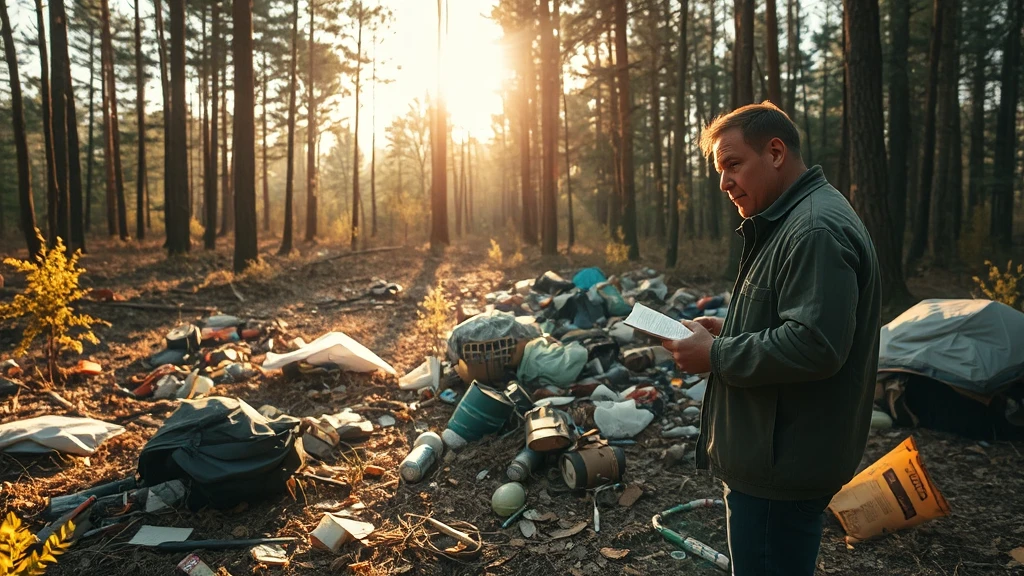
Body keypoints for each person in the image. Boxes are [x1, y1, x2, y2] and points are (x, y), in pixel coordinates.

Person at [662, 102, 881, 576]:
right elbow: (796, 317)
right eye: (720, 170)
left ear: (776, 152)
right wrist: (731, 330)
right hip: (776, 453)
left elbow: (815, 344)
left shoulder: (814, 228)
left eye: (732, 165)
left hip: (780, 465)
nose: (724, 183)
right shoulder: (794, 217)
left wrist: (716, 354)